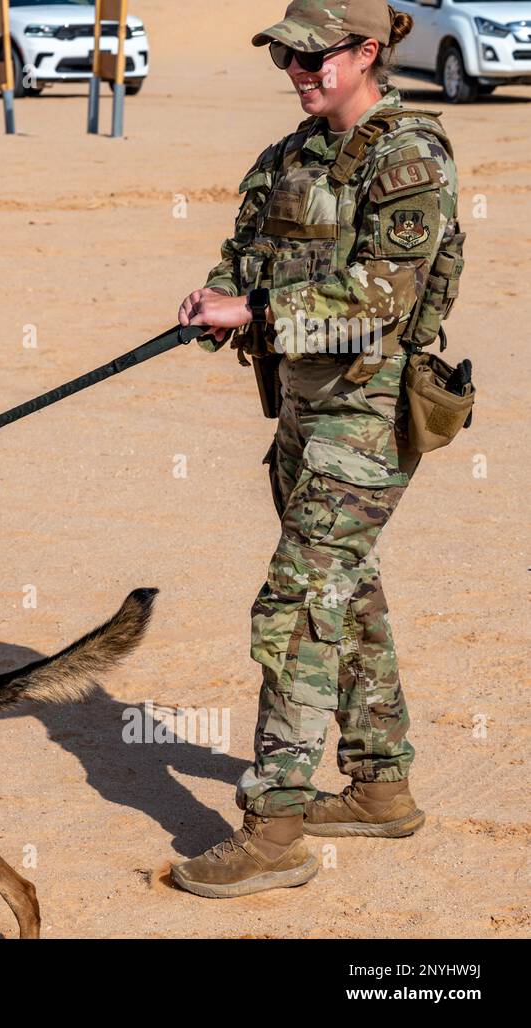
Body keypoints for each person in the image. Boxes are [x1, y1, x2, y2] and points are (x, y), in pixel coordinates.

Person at [171, 0, 460, 899]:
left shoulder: (408, 155)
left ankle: (275, 828)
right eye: (284, 59)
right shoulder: (289, 155)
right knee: (348, 587)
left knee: (297, 599)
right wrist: (218, 302)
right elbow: (244, 256)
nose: (296, 73)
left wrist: (253, 313)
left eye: (312, 57)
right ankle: (380, 786)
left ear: (367, 51)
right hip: (298, 411)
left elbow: (381, 298)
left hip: (368, 414)